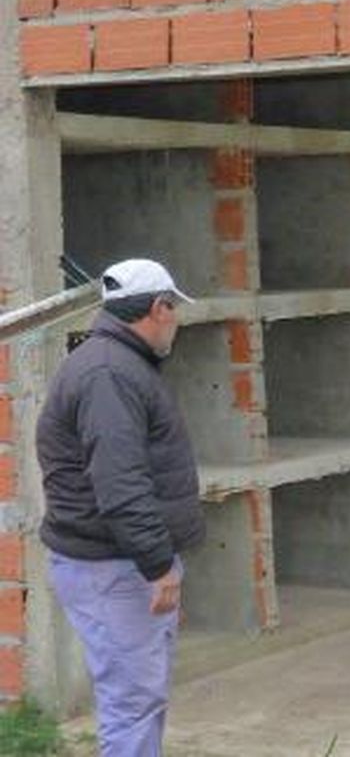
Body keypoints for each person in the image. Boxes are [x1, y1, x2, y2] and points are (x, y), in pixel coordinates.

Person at [37, 258, 201, 757]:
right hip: (114, 565)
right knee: (132, 704)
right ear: (157, 307)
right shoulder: (111, 374)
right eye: (172, 309)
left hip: (112, 562)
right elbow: (120, 483)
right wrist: (157, 564)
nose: (174, 320)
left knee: (138, 699)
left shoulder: (112, 364)